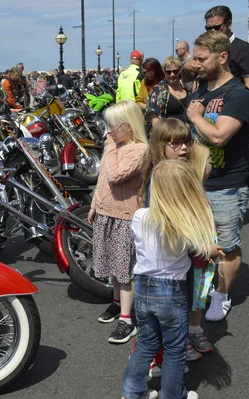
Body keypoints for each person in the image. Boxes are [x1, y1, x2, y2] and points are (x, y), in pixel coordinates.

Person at [121, 160, 220, 399]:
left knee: (146, 343)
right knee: (175, 349)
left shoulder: (139, 216)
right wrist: (213, 250)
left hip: (143, 288)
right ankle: (173, 395)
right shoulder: (183, 223)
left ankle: (132, 392)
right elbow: (200, 249)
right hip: (172, 292)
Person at [186, 30, 249, 322]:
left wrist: (196, 117)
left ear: (223, 57)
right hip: (196, 184)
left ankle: (222, 294)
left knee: (227, 246)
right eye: (195, 58)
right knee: (198, 244)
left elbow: (219, 137)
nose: (196, 64)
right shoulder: (200, 90)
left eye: (202, 59)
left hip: (227, 185)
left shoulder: (237, 94)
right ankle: (200, 290)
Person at [139, 119, 215, 377]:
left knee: (174, 314)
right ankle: (164, 360)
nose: (183, 148)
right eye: (176, 144)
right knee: (167, 319)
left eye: (186, 142)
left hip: (180, 260)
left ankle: (167, 355)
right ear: (160, 146)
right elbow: (168, 228)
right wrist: (200, 246)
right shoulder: (161, 179)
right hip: (170, 264)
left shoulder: (179, 170)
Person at [88, 100, 148, 344]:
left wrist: (109, 148)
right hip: (106, 214)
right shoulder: (115, 146)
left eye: (113, 126)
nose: (109, 131)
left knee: (124, 270)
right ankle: (116, 303)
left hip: (125, 217)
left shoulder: (139, 149)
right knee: (113, 265)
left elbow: (115, 175)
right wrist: (94, 205)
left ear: (129, 126)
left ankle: (127, 318)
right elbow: (102, 179)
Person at [197, 5, 249, 94]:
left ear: (229, 24)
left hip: (230, 103)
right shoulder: (204, 49)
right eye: (209, 28)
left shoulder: (244, 49)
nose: (213, 32)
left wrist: (227, 100)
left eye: (217, 27)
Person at [145, 56, 190, 129]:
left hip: (186, 134)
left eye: (175, 71)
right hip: (168, 134)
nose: (172, 75)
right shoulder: (158, 90)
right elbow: (155, 120)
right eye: (168, 72)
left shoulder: (187, 88)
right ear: (164, 72)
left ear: (180, 71)